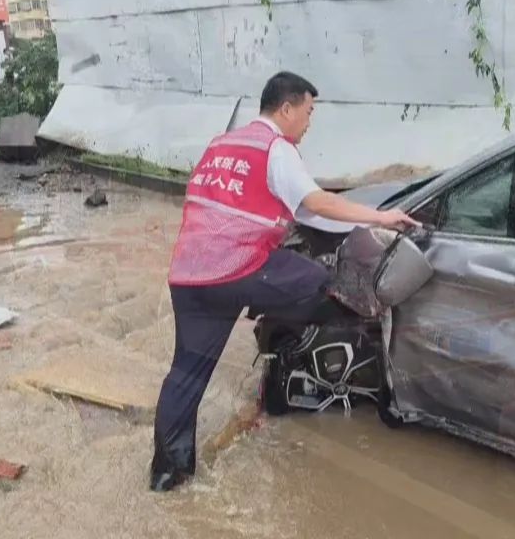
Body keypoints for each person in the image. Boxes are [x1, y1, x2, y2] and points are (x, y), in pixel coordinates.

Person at [151, 71, 419, 492]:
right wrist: (381, 218)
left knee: (184, 376)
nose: (309, 123)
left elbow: (296, 210)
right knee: (325, 282)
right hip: (239, 269)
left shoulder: (222, 144)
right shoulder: (277, 149)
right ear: (287, 108)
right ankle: (296, 340)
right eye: (308, 112)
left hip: (188, 276)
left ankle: (168, 474)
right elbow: (317, 202)